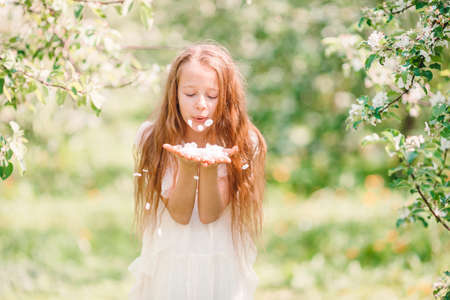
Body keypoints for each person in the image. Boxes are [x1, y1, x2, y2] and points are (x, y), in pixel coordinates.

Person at [128, 41, 267, 300]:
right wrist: (187, 166)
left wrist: (210, 168)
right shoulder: (152, 139)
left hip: (220, 258)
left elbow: (208, 215)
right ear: (175, 94)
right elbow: (180, 215)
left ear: (226, 96)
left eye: (212, 96)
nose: (201, 104)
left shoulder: (243, 141)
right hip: (170, 260)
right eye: (190, 94)